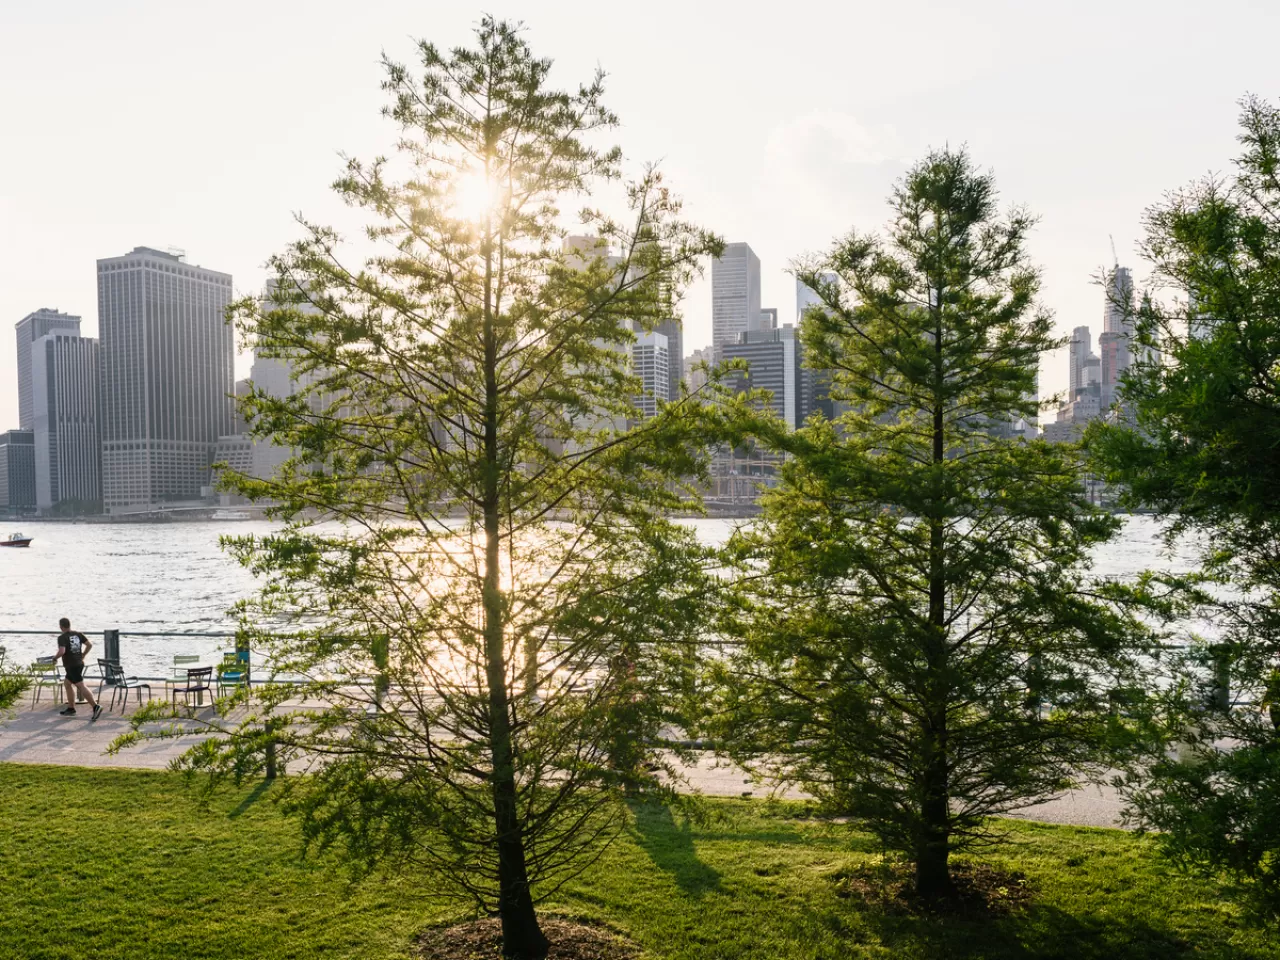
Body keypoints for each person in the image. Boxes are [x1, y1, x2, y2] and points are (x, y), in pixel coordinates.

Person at [53, 617, 101, 721]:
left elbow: (62, 651)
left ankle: (95, 706)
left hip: (71, 665)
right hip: (79, 663)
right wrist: (83, 654)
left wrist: (54, 658)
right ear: (69, 625)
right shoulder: (78, 634)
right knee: (67, 683)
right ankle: (71, 708)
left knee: (81, 685)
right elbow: (89, 645)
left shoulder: (62, 637)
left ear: (61, 627)